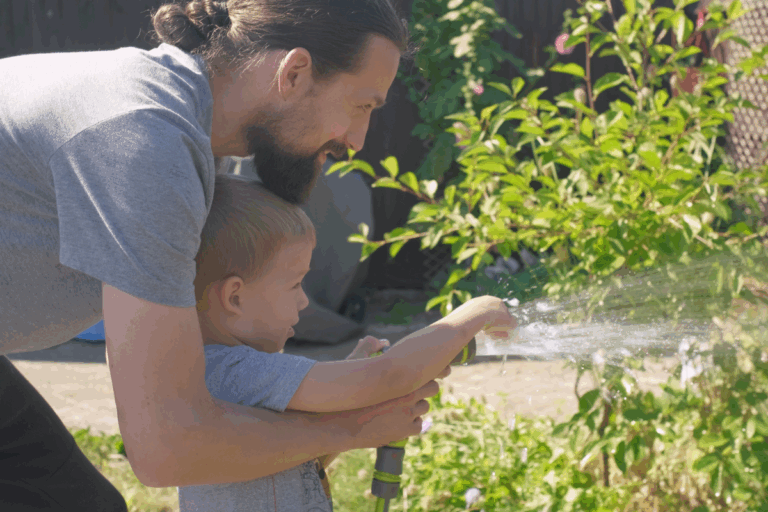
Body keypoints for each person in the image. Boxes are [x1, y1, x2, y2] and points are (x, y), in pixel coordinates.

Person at [0, 1, 520, 509]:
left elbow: (187, 395)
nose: (357, 140)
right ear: (294, 73)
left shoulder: (192, 135)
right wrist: (351, 426)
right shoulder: (144, 138)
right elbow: (167, 446)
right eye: (361, 106)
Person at [177, 174, 516, 512]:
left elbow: (298, 459)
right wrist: (471, 316)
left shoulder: (221, 374)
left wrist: (353, 376)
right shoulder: (239, 373)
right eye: (295, 285)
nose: (304, 302)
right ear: (235, 297)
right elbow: (387, 375)